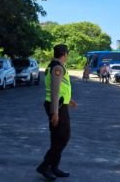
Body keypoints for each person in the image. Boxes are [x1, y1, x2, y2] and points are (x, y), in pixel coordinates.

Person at [37, 44, 77, 180]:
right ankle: (45, 166)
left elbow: (62, 88)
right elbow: (55, 91)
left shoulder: (55, 66)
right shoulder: (57, 68)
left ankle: (54, 167)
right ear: (65, 54)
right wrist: (55, 112)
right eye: (67, 54)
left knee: (57, 138)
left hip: (60, 104)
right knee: (63, 137)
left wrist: (69, 100)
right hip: (57, 106)